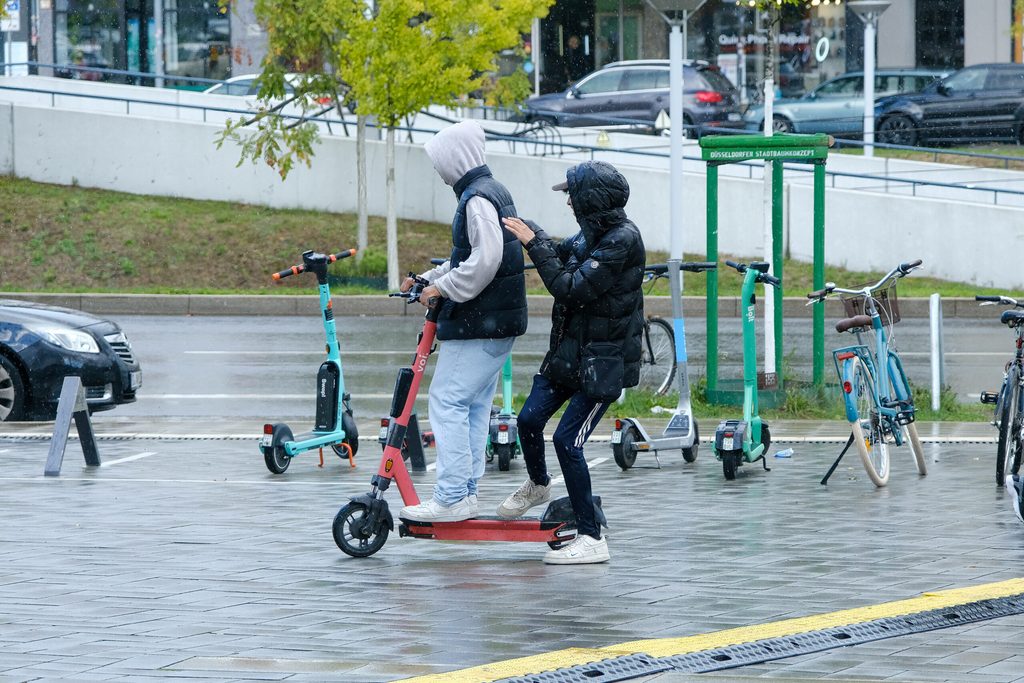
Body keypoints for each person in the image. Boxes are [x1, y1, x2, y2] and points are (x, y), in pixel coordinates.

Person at [496, 161, 646, 564]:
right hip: (569, 355)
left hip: (601, 364)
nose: (567, 201)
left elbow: (569, 288)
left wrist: (534, 243)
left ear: (589, 200)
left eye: (571, 194)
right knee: (527, 420)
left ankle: (592, 537)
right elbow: (559, 252)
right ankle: (538, 485)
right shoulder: (591, 233)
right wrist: (527, 235)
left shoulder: (622, 240)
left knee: (567, 441)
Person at [398, 121, 528, 524]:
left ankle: (453, 495)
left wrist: (443, 288)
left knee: (448, 401)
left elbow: (484, 261)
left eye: (440, 162)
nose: (438, 171)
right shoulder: (492, 191)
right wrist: (429, 279)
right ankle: (465, 493)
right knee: (471, 407)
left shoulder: (476, 199)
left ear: (455, 158)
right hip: (493, 323)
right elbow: (469, 257)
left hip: (479, 324)